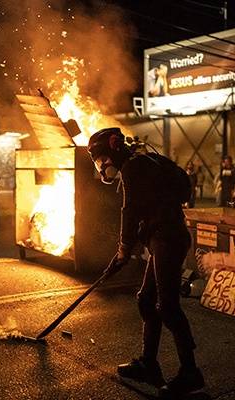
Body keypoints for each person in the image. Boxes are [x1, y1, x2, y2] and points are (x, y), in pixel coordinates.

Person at [87, 127, 204, 398]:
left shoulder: (133, 167)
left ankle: (191, 373)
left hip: (168, 240)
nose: (102, 166)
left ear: (114, 147)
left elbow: (129, 210)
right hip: (162, 239)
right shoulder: (144, 163)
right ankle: (149, 363)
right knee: (145, 300)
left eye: (101, 158)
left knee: (168, 306)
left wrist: (123, 249)